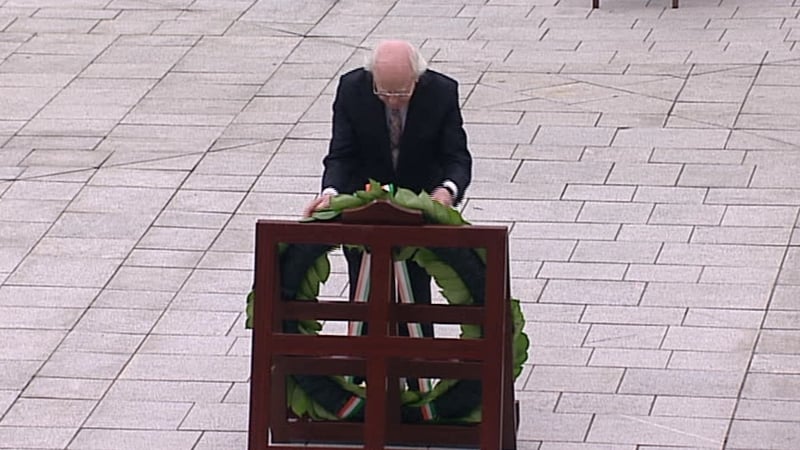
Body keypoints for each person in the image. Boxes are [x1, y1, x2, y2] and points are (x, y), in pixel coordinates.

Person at [303, 39, 472, 342]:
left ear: (416, 78)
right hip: (365, 211)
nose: (392, 101)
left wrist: (446, 191)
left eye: (401, 92)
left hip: (418, 213)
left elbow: (456, 157)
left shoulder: (442, 93)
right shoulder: (352, 89)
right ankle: (361, 375)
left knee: (416, 302)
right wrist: (330, 192)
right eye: (384, 92)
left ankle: (418, 373)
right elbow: (342, 154)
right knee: (365, 297)